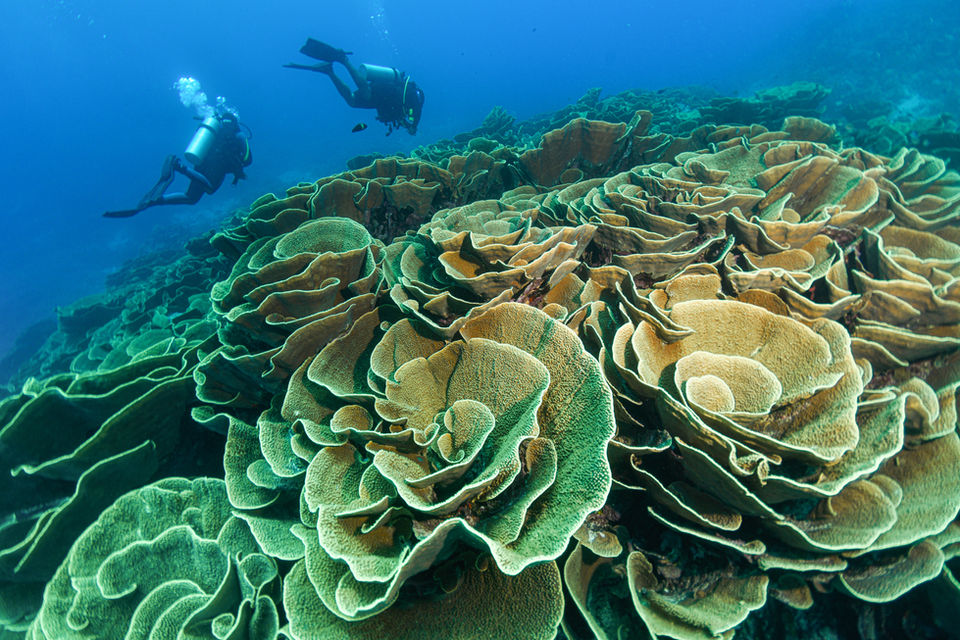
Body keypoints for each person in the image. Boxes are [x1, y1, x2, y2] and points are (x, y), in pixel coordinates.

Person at [104, 107, 252, 218]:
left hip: (200, 163)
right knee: (210, 189)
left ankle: (155, 201)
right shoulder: (239, 135)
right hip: (217, 167)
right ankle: (181, 168)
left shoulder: (214, 131)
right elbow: (247, 159)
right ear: (236, 123)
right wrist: (234, 166)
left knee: (191, 198)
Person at [284, 38, 424, 135]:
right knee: (366, 93)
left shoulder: (407, 108)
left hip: (383, 100)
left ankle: (329, 71)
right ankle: (344, 60)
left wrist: (408, 124)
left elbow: (404, 115)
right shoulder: (414, 101)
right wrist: (413, 126)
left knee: (352, 101)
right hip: (386, 90)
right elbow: (415, 113)